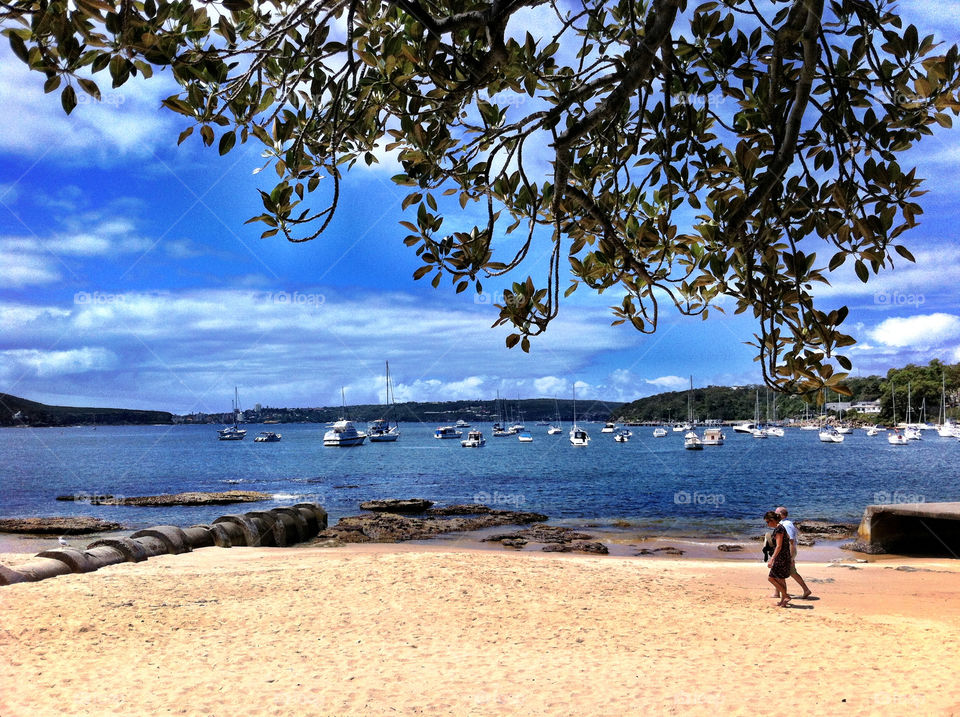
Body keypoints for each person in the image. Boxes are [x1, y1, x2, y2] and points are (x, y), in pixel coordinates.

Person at [776, 506, 812, 599]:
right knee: (778, 571)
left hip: (788, 552)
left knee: (788, 572)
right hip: (786, 551)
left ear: (781, 515)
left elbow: (791, 541)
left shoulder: (786, 525)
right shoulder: (783, 523)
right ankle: (777, 592)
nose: (774, 515)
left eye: (776, 513)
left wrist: (791, 557)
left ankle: (805, 590)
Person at [764, 511, 792, 607]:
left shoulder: (779, 529)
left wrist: (772, 559)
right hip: (785, 556)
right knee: (781, 579)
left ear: (772, 520)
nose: (767, 524)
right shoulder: (781, 527)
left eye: (767, 522)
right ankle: (783, 601)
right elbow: (788, 540)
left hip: (780, 557)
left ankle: (786, 595)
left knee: (771, 578)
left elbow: (779, 546)